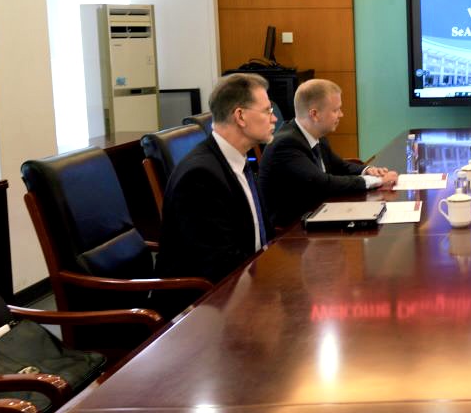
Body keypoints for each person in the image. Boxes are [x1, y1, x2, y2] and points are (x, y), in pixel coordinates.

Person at [157, 72, 276, 284]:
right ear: (240, 116)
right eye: (267, 111)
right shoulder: (200, 177)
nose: (274, 118)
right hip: (207, 297)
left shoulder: (239, 162)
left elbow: (261, 236)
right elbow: (219, 264)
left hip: (249, 279)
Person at [260, 78, 398, 229]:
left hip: (318, 213)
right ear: (314, 114)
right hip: (293, 230)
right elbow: (323, 183)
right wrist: (377, 181)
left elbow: (340, 166)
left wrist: (368, 170)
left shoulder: (316, 135)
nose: (341, 115)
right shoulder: (286, 144)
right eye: (335, 110)